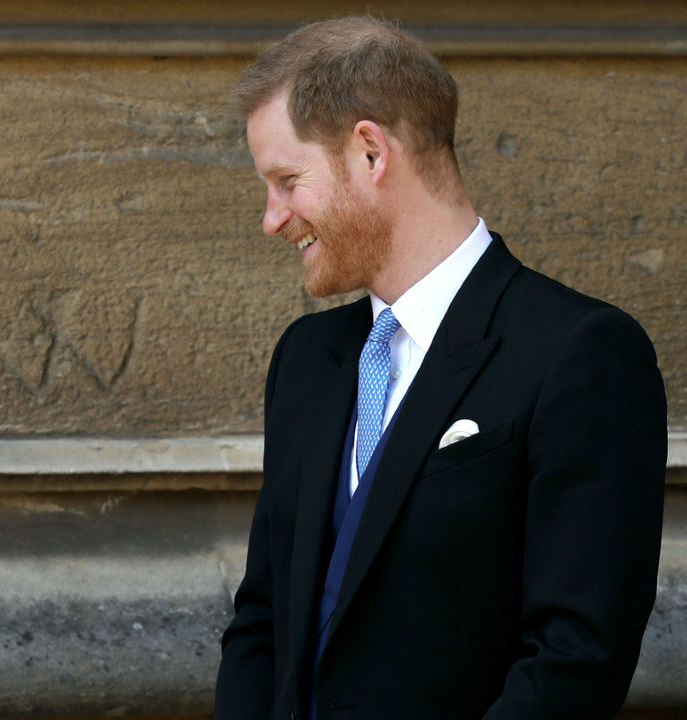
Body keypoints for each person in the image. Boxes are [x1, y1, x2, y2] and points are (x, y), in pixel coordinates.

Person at [214, 16, 666, 720]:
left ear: (370, 152)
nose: (273, 219)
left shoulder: (582, 354)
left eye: (287, 180)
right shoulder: (308, 361)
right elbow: (264, 618)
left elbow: (575, 658)